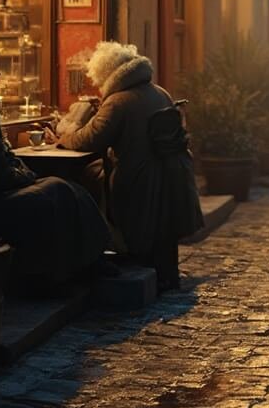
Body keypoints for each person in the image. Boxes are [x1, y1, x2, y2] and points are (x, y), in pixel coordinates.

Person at [0, 45, 112, 292]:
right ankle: (85, 262)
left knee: (65, 188)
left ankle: (89, 259)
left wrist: (24, 174)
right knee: (60, 190)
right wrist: (26, 177)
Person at [55, 41, 203, 291]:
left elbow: (88, 140)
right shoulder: (159, 92)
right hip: (166, 173)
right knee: (161, 232)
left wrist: (63, 135)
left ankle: (119, 262)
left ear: (105, 73)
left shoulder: (118, 102)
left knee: (90, 187)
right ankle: (165, 275)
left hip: (136, 177)